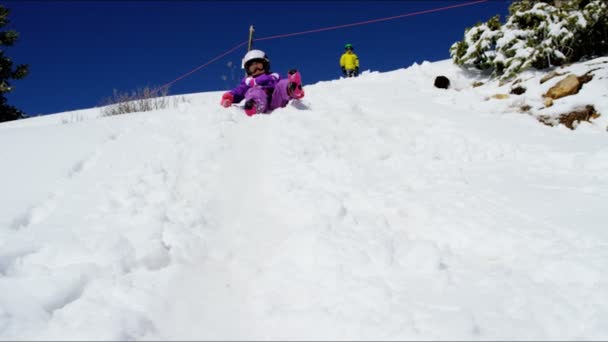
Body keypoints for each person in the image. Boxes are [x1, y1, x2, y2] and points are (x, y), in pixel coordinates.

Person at [220, 49, 305, 116]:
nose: (256, 70)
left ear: (265, 65)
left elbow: (282, 84)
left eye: (259, 66)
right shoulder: (248, 81)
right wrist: (230, 97)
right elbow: (239, 91)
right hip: (261, 100)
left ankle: (294, 89)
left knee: (282, 84)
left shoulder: (274, 76)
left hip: (276, 99)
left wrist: (289, 83)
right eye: (253, 68)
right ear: (248, 70)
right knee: (255, 91)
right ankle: (254, 105)